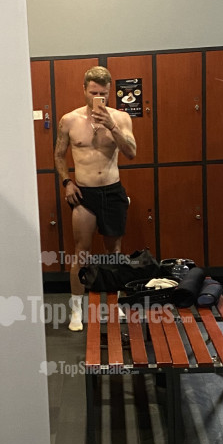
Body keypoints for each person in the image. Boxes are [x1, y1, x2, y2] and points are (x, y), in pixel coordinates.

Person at [54, 66, 137, 331]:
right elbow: (59, 154)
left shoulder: (121, 118)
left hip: (112, 191)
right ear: (84, 90)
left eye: (102, 93)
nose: (97, 98)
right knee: (81, 252)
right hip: (84, 193)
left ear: (110, 91)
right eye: (93, 93)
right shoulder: (69, 120)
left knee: (114, 252)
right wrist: (67, 182)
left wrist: (112, 126)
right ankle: (76, 309)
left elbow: (131, 152)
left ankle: (115, 304)